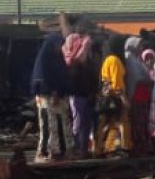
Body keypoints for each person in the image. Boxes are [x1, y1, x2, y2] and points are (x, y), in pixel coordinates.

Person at [30, 30, 73, 162]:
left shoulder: (56, 58)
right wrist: (53, 91)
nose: (59, 47)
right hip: (48, 97)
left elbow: (62, 76)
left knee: (62, 124)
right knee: (50, 125)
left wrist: (60, 91)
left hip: (58, 97)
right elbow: (44, 77)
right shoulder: (45, 59)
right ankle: (49, 152)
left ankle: (63, 151)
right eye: (58, 44)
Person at [62, 15, 96, 157]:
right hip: (78, 94)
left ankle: (83, 149)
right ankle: (78, 149)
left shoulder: (82, 61)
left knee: (84, 122)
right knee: (79, 122)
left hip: (84, 94)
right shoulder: (75, 62)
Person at [96, 34, 131, 155]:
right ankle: (120, 147)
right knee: (120, 122)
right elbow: (117, 83)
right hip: (115, 98)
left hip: (106, 97)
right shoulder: (115, 60)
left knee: (107, 123)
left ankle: (102, 148)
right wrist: (124, 99)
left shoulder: (106, 59)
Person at [124, 36, 152, 155]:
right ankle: (138, 147)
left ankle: (143, 145)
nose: (141, 48)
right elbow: (137, 78)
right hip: (136, 95)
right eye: (139, 45)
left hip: (142, 95)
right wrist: (148, 80)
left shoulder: (137, 59)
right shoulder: (130, 58)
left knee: (142, 121)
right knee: (137, 121)